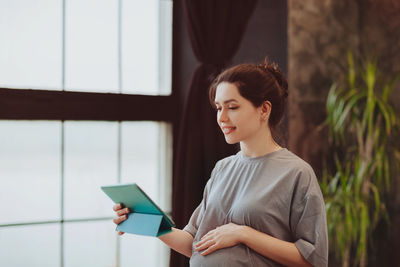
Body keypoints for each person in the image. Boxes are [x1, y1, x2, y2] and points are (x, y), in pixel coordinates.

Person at [113, 61, 328, 266]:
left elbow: (312, 259)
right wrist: (148, 222)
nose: (221, 118)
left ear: (264, 109)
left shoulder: (296, 173)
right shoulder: (223, 168)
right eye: (218, 108)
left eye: (232, 107)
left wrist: (244, 233)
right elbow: (195, 244)